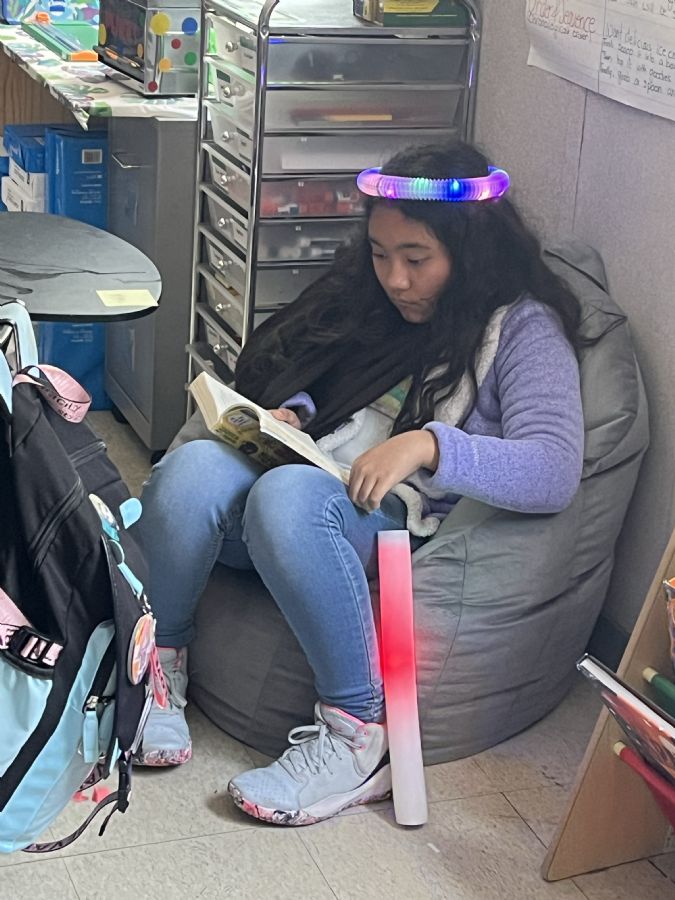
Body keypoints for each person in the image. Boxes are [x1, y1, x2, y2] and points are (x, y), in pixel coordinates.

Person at [131, 141, 587, 826]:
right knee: (194, 467)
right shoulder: (374, 299)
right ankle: (158, 667)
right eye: (379, 254)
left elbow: (553, 469)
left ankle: (354, 732)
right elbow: (345, 387)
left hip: (389, 515)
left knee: (286, 498)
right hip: (316, 477)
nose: (395, 279)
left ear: (471, 251)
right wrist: (295, 414)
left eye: (416, 259)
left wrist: (431, 444)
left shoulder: (523, 330)